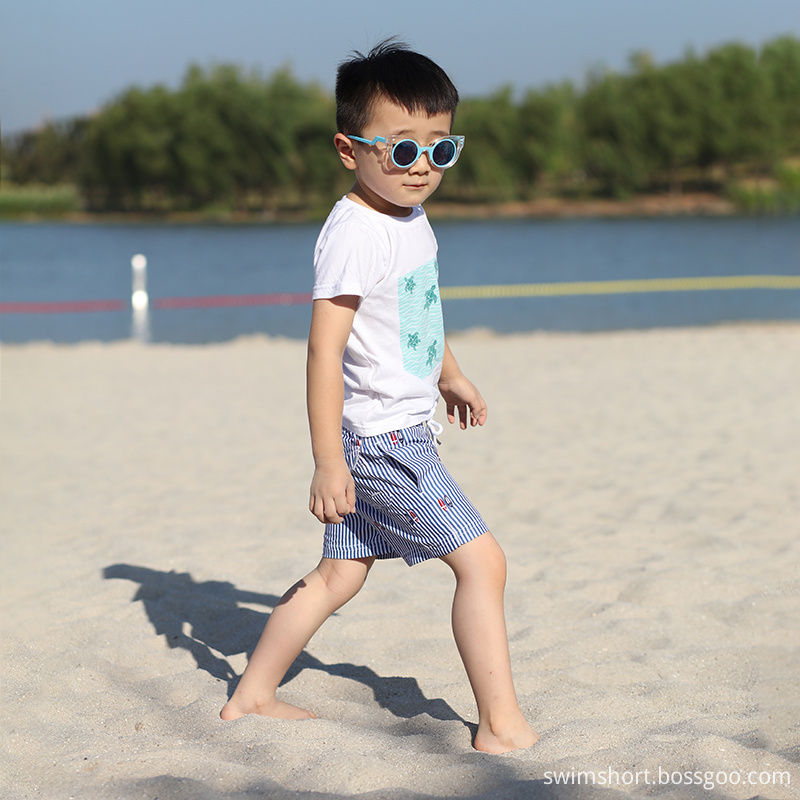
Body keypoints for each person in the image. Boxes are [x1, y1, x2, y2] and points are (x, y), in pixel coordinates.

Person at [221, 39, 538, 754]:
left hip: (402, 427)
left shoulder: (408, 217)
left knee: (338, 575)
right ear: (349, 149)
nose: (421, 167)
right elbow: (323, 350)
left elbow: (416, 309)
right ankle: (499, 724)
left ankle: (252, 695)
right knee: (484, 564)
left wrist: (448, 370)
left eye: (440, 149)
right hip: (380, 442)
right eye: (401, 151)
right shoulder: (354, 234)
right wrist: (328, 461)